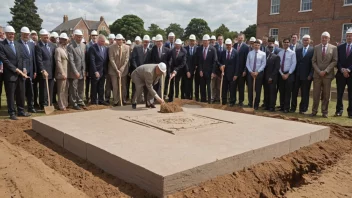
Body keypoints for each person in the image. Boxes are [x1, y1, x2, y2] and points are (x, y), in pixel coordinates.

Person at [0, 26, 30, 120]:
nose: (11, 35)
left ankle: (21, 111)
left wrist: (24, 68)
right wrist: (16, 70)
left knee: (21, 93)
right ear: (5, 34)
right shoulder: (1, 45)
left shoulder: (17, 44)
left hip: (20, 74)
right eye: (9, 34)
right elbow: (5, 61)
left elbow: (22, 58)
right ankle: (12, 112)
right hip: (10, 75)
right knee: (11, 94)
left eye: (13, 34)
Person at [310, 32, 338, 118]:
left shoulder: (333, 48)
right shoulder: (316, 47)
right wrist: (319, 71)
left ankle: (324, 112)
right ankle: (314, 111)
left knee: (326, 94)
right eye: (322, 37)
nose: (324, 39)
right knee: (316, 94)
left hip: (327, 75)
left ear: (329, 39)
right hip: (317, 75)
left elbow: (334, 61)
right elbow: (313, 61)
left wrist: (326, 71)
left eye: (326, 38)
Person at [290, 34, 314, 114]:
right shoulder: (298, 50)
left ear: (309, 41)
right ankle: (293, 107)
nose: (305, 41)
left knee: (305, 93)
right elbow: (295, 63)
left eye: (307, 40)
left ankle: (303, 109)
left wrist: (311, 75)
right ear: (302, 41)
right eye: (304, 40)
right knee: (294, 92)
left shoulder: (312, 50)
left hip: (307, 76)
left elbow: (313, 64)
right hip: (297, 75)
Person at [35, 29, 57, 110]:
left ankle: (49, 103)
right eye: (44, 36)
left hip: (51, 70)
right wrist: (43, 70)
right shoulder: (38, 46)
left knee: (50, 89)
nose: (46, 37)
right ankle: (43, 104)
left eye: (47, 36)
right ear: (40, 37)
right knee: (43, 89)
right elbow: (39, 60)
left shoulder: (52, 45)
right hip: (44, 71)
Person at [18, 27, 37, 113]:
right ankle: (21, 107)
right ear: (21, 34)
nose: (26, 36)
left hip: (31, 70)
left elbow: (33, 58)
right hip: (22, 71)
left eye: (27, 35)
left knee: (31, 90)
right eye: (24, 34)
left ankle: (31, 106)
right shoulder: (17, 44)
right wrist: (23, 68)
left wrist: (35, 70)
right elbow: (19, 58)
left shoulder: (31, 44)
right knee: (21, 90)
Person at [109, 34, 130, 106]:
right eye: (118, 40)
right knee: (115, 86)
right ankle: (116, 100)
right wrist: (116, 69)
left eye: (121, 40)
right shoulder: (111, 48)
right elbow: (111, 59)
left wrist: (122, 68)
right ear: (116, 40)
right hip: (113, 70)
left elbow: (127, 59)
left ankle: (123, 99)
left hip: (123, 70)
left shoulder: (127, 47)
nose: (120, 41)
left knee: (123, 86)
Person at [67, 29, 86, 110]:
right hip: (74, 71)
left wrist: (84, 70)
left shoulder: (83, 45)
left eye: (81, 37)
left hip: (82, 70)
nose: (80, 38)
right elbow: (71, 61)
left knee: (81, 87)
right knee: (73, 87)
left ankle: (80, 100)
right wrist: (75, 72)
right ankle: (73, 102)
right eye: (78, 37)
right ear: (74, 37)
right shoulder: (70, 47)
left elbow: (83, 59)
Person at [335, 28, 352, 118]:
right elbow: (337, 60)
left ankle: (350, 112)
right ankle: (339, 110)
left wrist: (348, 70)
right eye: (348, 36)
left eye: (350, 36)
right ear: (346, 37)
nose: (349, 37)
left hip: (351, 74)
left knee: (351, 94)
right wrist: (342, 69)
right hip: (340, 74)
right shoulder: (340, 47)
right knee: (339, 93)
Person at [88, 34, 109, 105]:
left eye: (104, 41)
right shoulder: (92, 48)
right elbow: (92, 61)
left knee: (101, 86)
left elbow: (105, 60)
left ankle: (101, 100)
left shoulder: (105, 48)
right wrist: (95, 71)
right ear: (98, 40)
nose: (103, 43)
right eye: (102, 41)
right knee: (94, 86)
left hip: (103, 71)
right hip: (96, 71)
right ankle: (93, 101)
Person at [218, 38, 239, 106]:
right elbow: (219, 62)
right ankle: (224, 101)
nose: (228, 46)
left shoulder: (235, 52)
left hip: (232, 74)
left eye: (229, 45)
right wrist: (221, 66)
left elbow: (237, 64)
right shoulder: (223, 52)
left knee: (232, 89)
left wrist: (236, 74)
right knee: (224, 88)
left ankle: (232, 101)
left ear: (232, 45)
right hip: (224, 74)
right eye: (227, 45)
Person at [277, 38, 296, 113]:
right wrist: (282, 74)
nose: (286, 43)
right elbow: (278, 64)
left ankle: (286, 107)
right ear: (282, 43)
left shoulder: (292, 53)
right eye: (284, 42)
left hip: (289, 74)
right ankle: (282, 106)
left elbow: (293, 64)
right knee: (281, 91)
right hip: (281, 74)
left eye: (287, 42)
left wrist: (288, 74)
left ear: (289, 43)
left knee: (288, 92)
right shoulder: (280, 53)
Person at [246, 40, 266, 109]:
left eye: (258, 45)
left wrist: (258, 72)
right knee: (250, 89)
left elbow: (263, 64)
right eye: (255, 45)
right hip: (250, 74)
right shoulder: (250, 53)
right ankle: (250, 103)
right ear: (253, 45)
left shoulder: (263, 54)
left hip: (259, 74)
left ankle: (256, 104)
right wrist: (251, 72)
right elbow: (247, 63)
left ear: (260, 46)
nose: (256, 46)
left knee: (258, 90)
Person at [199, 34, 218, 103]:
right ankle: (203, 100)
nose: (205, 43)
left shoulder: (213, 49)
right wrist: (200, 70)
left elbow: (214, 61)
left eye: (206, 41)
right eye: (203, 41)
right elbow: (200, 61)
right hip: (202, 72)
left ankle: (209, 100)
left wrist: (213, 72)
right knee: (202, 87)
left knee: (209, 87)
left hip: (209, 72)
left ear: (209, 41)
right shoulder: (200, 49)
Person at [233, 33, 249, 106]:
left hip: (242, 71)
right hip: (234, 71)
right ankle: (233, 100)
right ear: (237, 38)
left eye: (241, 38)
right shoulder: (234, 45)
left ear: (243, 39)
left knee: (241, 87)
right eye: (239, 38)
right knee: (233, 86)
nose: (240, 39)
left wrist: (245, 70)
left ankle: (241, 101)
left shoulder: (246, 47)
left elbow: (247, 60)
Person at [263, 41, 280, 112]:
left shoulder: (276, 57)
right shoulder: (265, 55)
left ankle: (272, 106)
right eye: (269, 47)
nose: (270, 48)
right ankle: (266, 105)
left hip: (272, 78)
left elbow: (276, 68)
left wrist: (271, 77)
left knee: (272, 92)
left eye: (272, 47)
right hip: (265, 77)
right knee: (266, 92)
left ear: (274, 47)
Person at [55, 33, 70, 110]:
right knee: (61, 90)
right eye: (63, 39)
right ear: (60, 40)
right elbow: (58, 62)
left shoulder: (65, 49)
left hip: (66, 73)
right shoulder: (58, 50)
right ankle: (61, 105)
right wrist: (62, 73)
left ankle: (65, 103)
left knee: (65, 89)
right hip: (61, 74)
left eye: (65, 40)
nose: (65, 41)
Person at [85, 30, 98, 104]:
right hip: (90, 67)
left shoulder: (98, 44)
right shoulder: (88, 45)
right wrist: (86, 70)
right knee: (88, 84)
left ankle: (93, 97)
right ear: (91, 36)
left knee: (94, 84)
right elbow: (87, 58)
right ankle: (87, 97)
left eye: (96, 36)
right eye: (93, 36)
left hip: (96, 68)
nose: (94, 37)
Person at [183, 34, 198, 100]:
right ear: (189, 41)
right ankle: (187, 97)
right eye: (191, 41)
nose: (192, 42)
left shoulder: (197, 49)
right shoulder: (185, 49)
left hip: (195, 70)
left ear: (195, 41)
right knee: (187, 84)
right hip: (187, 70)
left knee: (194, 84)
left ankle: (193, 97)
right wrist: (187, 71)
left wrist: (194, 70)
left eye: (193, 41)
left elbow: (197, 60)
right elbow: (185, 61)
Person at [212, 35, 225, 103]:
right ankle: (214, 97)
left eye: (221, 39)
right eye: (219, 39)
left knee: (220, 85)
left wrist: (223, 66)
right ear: (217, 40)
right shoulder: (214, 48)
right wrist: (219, 65)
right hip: (216, 68)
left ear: (223, 40)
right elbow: (215, 59)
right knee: (214, 85)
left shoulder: (226, 47)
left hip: (223, 69)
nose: (220, 40)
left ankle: (220, 97)